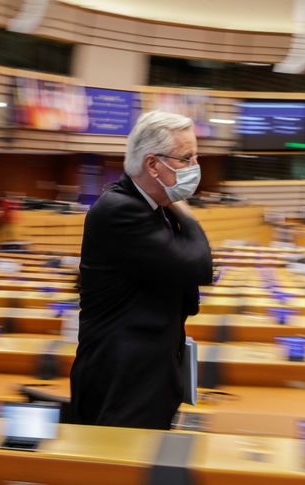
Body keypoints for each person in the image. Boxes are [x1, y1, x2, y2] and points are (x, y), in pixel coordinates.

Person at [70, 111, 213, 430]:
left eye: (196, 157)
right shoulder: (121, 209)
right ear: (153, 165)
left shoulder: (151, 208)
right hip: (123, 386)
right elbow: (199, 266)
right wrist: (187, 213)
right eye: (186, 158)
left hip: (151, 376)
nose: (194, 167)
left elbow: (186, 294)